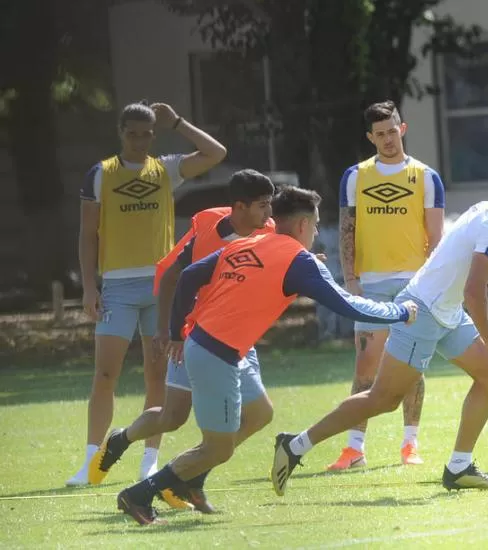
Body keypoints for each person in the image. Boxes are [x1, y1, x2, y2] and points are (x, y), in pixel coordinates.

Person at [116, 186, 417, 525]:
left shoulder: (250, 242)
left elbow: (189, 275)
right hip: (216, 353)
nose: (316, 232)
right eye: (315, 226)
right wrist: (399, 311)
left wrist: (177, 331)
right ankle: (138, 495)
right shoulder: (298, 260)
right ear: (302, 226)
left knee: (260, 412)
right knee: (219, 448)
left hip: (210, 345)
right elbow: (348, 304)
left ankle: (192, 483)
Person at [272, 162, 488, 495]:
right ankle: (295, 445)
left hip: (446, 311)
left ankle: (459, 467)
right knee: (382, 399)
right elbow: (474, 290)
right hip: (424, 311)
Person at [87, 170, 276, 513]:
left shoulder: (268, 232)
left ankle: (187, 476)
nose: (269, 214)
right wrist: (167, 331)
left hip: (232, 338)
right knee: (173, 417)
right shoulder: (207, 230)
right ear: (239, 206)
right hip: (194, 335)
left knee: (259, 413)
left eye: (270, 205)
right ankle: (127, 441)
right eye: (263, 206)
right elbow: (172, 273)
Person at [70, 101, 227, 486]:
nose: (139, 140)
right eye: (132, 133)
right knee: (105, 374)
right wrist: (91, 287)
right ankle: (92, 464)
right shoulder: (99, 174)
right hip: (118, 289)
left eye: (147, 133)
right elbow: (88, 235)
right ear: (120, 132)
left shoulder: (167, 169)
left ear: (154, 135)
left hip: (162, 287)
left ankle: (149, 462)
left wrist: (178, 122)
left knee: (157, 378)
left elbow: (216, 153)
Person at [331, 100, 445, 470]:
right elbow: (347, 230)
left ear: (403, 129)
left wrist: (431, 284)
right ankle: (354, 449)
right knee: (365, 366)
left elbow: (436, 238)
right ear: (370, 137)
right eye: (379, 134)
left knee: (412, 366)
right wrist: (350, 280)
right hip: (369, 286)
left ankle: (410, 444)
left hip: (414, 286)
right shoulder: (355, 176)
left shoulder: (426, 177)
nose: (387, 139)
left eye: (392, 131)